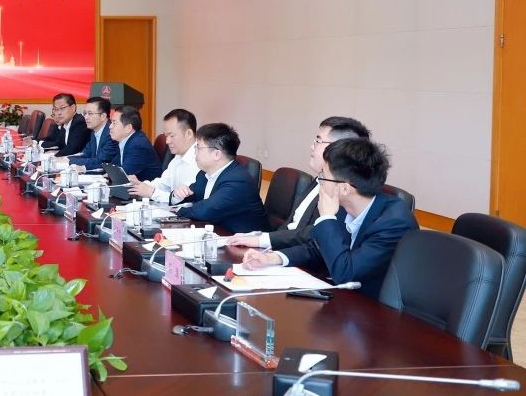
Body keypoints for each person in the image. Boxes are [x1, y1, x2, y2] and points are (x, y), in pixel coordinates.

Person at [242, 138, 416, 298]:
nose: (320, 182)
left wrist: (326, 218)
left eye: (323, 176)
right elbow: (317, 248)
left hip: (372, 309)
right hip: (343, 300)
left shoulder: (394, 223)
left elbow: (346, 273)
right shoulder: (346, 205)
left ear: (345, 188)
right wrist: (273, 258)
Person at [228, 116, 371, 250]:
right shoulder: (319, 178)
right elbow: (291, 226)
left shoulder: (345, 191)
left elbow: (313, 236)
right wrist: (260, 240)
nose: (312, 147)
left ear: (338, 149)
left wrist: (263, 241)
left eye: (318, 141)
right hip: (281, 250)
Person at [175, 122, 267, 232]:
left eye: (198, 148)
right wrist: (177, 195)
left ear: (216, 154)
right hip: (217, 232)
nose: (195, 153)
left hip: (243, 240)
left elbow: (203, 211)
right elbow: (189, 197)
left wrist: (176, 210)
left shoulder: (237, 181)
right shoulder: (204, 174)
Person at [129, 108, 200, 204]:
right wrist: (139, 185)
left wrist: (152, 192)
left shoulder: (200, 160)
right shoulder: (178, 157)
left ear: (188, 134)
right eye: (166, 136)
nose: (167, 141)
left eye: (171, 136)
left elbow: (183, 200)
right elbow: (163, 184)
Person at [106, 106, 163, 181]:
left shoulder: (138, 145)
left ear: (128, 128)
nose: (110, 126)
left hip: (146, 186)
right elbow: (113, 167)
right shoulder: (127, 141)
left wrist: (106, 177)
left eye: (114, 123)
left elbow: (123, 175)